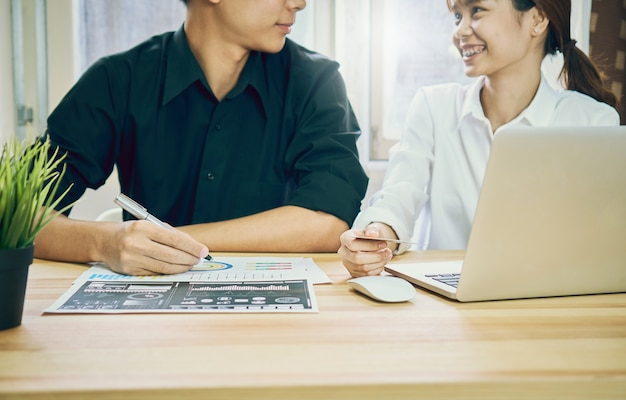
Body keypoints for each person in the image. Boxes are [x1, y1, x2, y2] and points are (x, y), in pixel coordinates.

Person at [35, 0, 368, 276]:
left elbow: (328, 222)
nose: (299, 3)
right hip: (151, 316)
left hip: (272, 312)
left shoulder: (316, 81)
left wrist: (169, 240)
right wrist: (105, 242)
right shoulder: (118, 79)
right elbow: (21, 215)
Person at [338, 0, 620, 277]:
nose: (460, 31)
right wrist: (376, 237)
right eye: (457, 17)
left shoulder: (592, 122)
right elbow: (398, 198)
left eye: (477, 11)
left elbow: (600, 242)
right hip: (443, 303)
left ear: (537, 19)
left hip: (547, 302)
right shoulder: (434, 107)